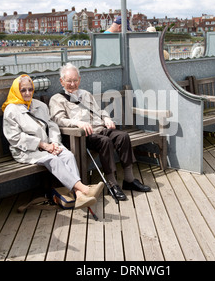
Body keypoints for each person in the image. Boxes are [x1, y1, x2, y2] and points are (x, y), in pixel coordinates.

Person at [49, 63, 151, 201]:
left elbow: (99, 111)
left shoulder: (85, 94)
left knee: (123, 136)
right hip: (83, 135)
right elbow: (58, 120)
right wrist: (77, 123)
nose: (73, 84)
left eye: (75, 80)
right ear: (62, 81)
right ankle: (112, 184)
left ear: (79, 79)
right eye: (69, 81)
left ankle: (129, 179)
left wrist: (107, 118)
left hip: (100, 128)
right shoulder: (57, 99)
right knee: (105, 142)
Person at [2, 74, 104, 209]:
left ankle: (79, 195)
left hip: (49, 146)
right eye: (23, 90)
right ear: (16, 91)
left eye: (30, 89)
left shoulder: (39, 106)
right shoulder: (11, 110)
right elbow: (15, 138)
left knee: (67, 155)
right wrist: (43, 145)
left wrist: (55, 143)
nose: (28, 93)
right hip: (27, 150)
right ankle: (83, 189)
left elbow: (52, 126)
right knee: (53, 160)